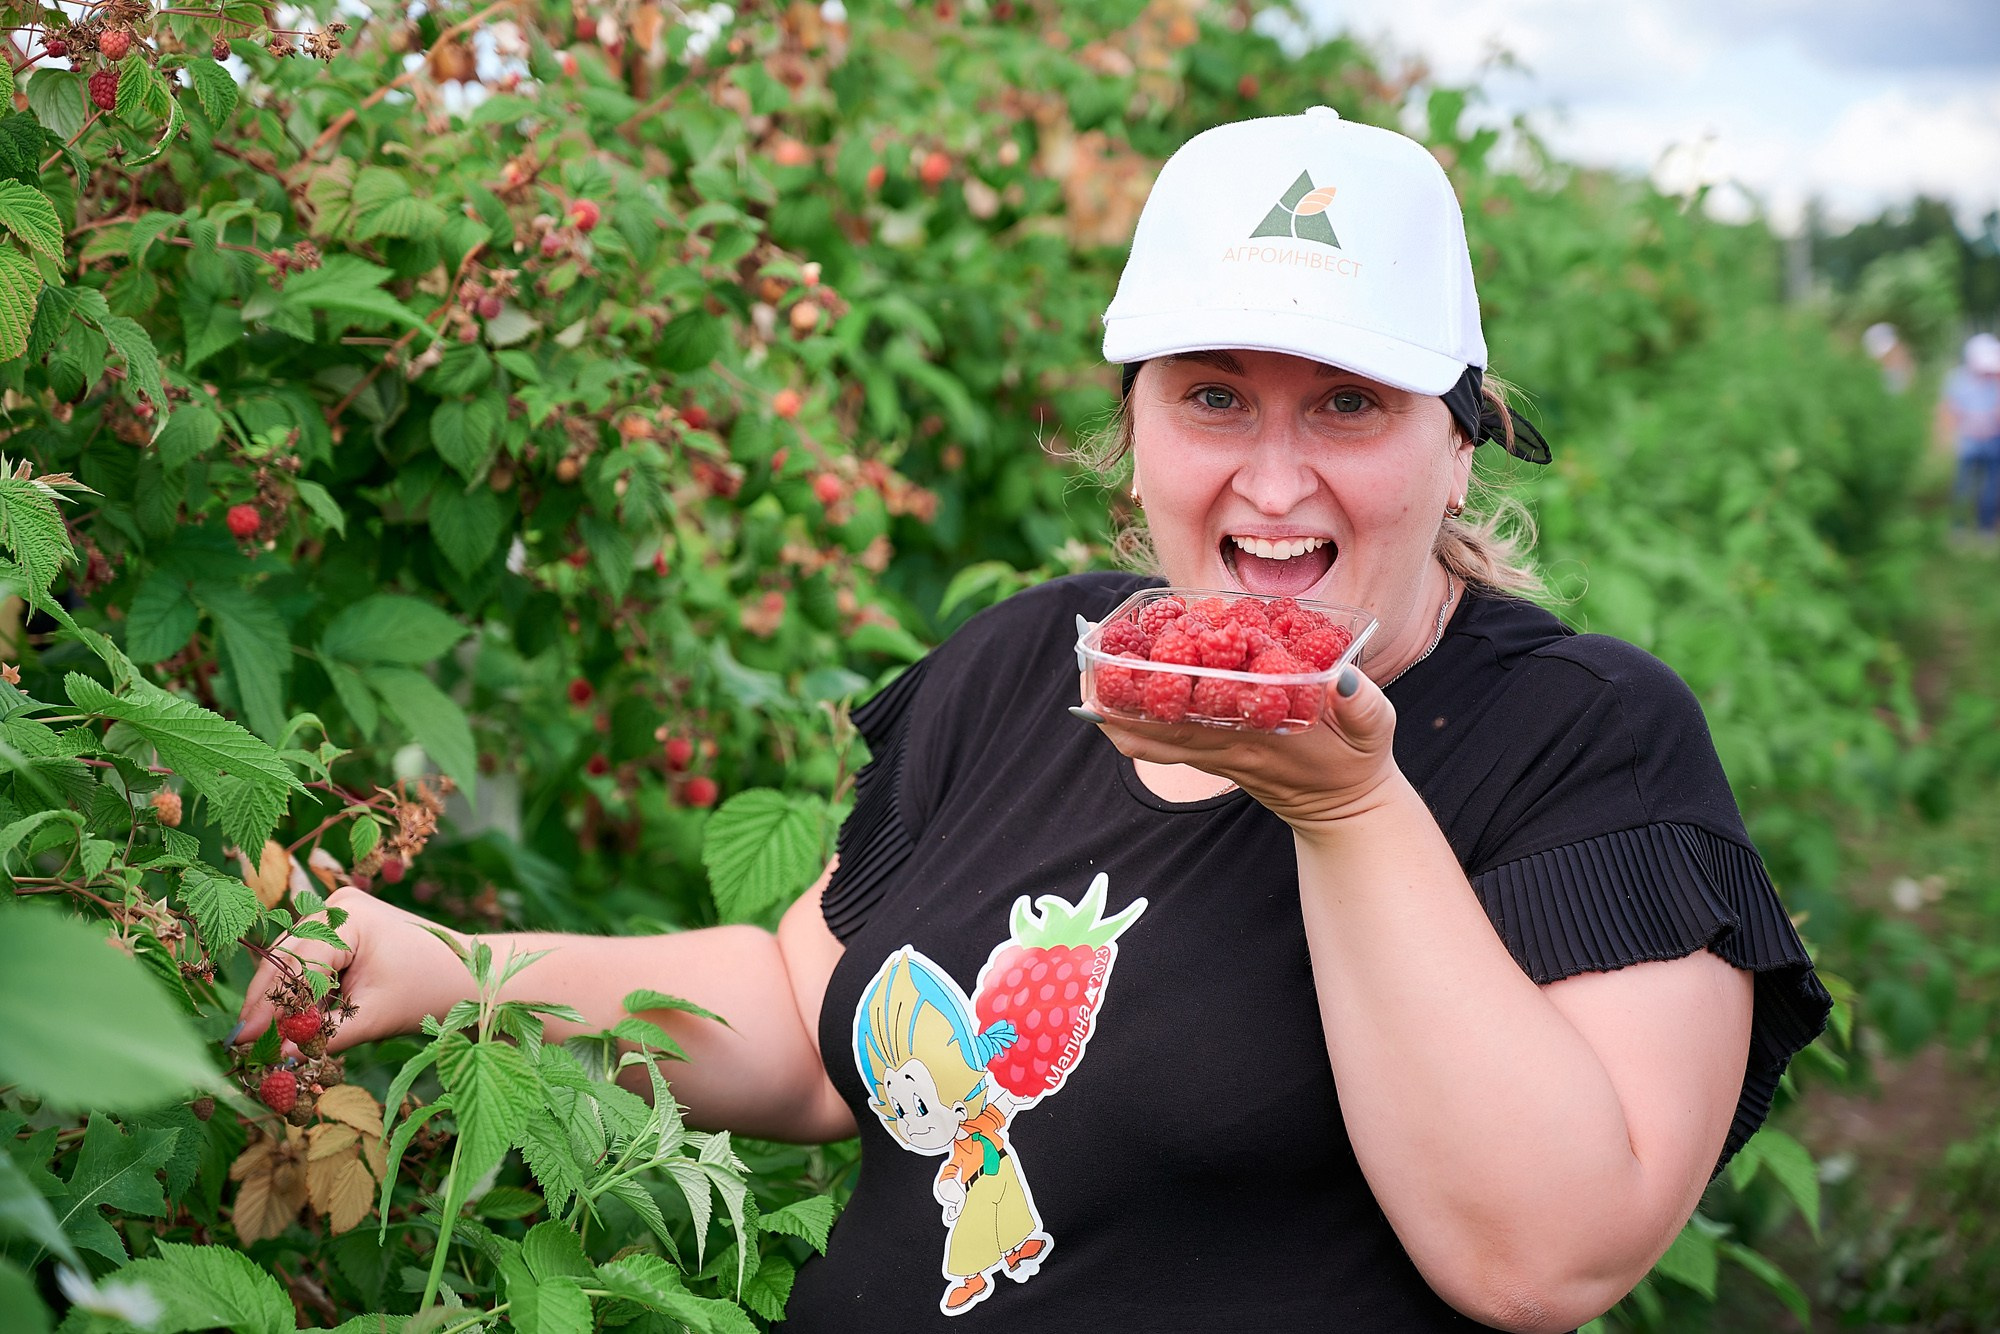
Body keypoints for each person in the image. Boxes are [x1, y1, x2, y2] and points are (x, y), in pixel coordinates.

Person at [239, 109, 1830, 1331]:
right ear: (1132, 424)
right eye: (1214, 395)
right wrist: (455, 969)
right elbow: (807, 1010)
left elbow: (1547, 1256)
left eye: (1350, 402)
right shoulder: (1032, 663)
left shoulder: (1584, 739)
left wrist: (1347, 806)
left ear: (1462, 437)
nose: (1276, 480)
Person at [1944, 331, 2000, 539]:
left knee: (1991, 487)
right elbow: (1951, 410)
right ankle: (1958, 527)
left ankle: (1986, 526)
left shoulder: (1995, 380)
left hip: (1993, 439)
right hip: (1968, 440)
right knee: (1963, 486)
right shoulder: (1957, 379)